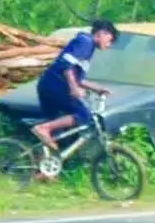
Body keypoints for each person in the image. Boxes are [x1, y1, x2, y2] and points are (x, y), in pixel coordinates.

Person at [30, 19, 119, 152]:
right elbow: (67, 65)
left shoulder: (89, 49)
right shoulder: (85, 42)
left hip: (48, 85)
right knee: (84, 115)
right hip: (55, 85)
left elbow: (80, 79)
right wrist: (74, 88)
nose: (109, 45)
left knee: (54, 136)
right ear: (102, 33)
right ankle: (43, 128)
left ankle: (44, 169)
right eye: (110, 40)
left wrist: (98, 89)